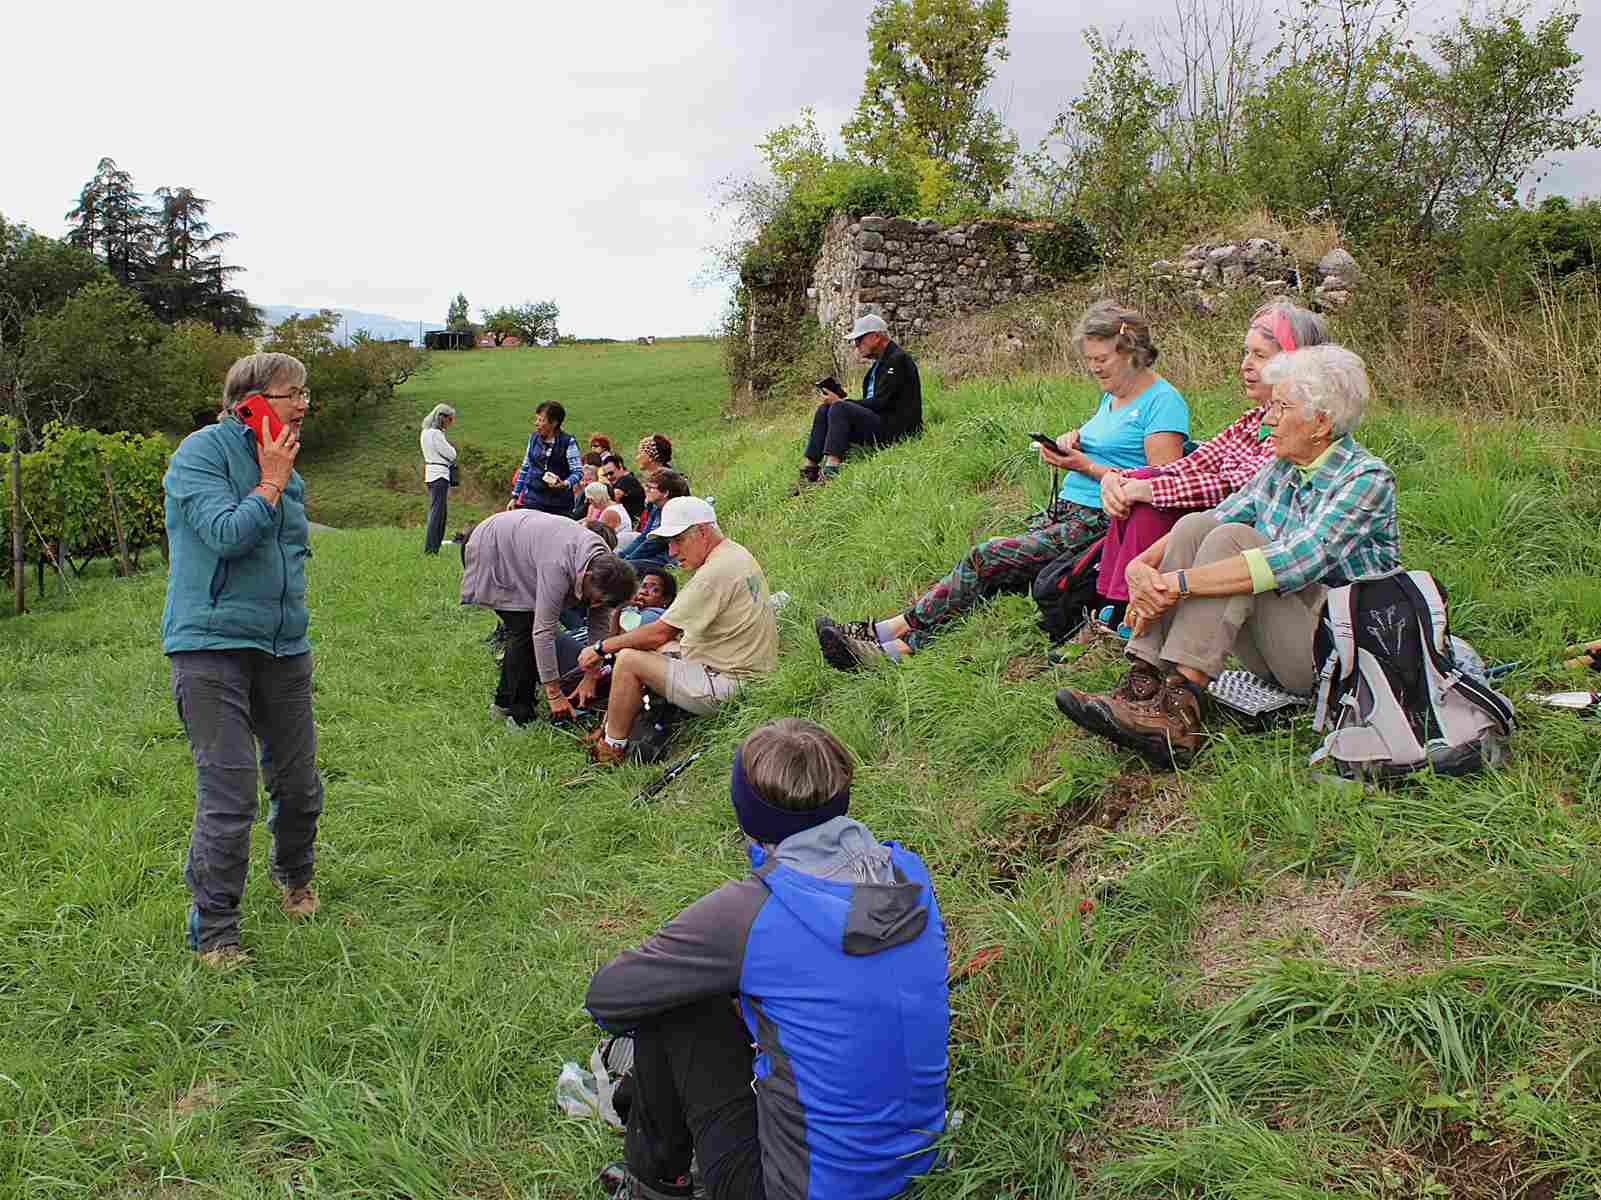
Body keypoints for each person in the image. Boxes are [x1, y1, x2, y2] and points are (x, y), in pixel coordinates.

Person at [586, 718, 948, 1200]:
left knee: (672, 1004)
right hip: (918, 1163)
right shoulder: (908, 872)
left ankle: (655, 1186)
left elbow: (608, 997)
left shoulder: (751, 912)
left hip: (797, 1190)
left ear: (748, 816)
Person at [1055, 344, 1400, 767]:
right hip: (1282, 640)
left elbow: (1296, 561)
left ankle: (1179, 709)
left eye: (1282, 407)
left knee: (1234, 541)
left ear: (1321, 423)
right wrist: (1140, 567)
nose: (1268, 419)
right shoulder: (1282, 468)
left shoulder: (1366, 480)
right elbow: (1217, 515)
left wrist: (1176, 584)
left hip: (1335, 659)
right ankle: (1144, 684)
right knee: (1195, 526)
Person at [816, 301, 1189, 670]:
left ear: (1131, 352)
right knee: (991, 575)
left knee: (985, 556)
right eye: (1089, 359)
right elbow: (1114, 444)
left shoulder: (1162, 402)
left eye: (1101, 359)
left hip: (1098, 523)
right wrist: (1073, 439)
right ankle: (893, 646)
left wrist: (1084, 465)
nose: (1093, 367)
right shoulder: (1114, 394)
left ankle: (887, 635)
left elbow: (1161, 487)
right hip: (1068, 511)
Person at [162, 352, 323, 966]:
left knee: (299, 783)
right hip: (209, 646)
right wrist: (271, 482)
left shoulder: (285, 460)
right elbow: (226, 534)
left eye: (305, 393)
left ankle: (295, 878)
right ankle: (216, 930)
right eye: (292, 393)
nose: (303, 405)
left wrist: (279, 476)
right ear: (249, 403)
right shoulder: (200, 453)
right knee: (230, 792)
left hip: (283, 646)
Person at [1096, 302, 1329, 602]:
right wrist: (1121, 478)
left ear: (1296, 366)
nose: (1245, 365)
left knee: (1150, 506)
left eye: (1259, 356)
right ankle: (1112, 601)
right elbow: (1196, 462)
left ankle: (1126, 603)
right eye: (1246, 352)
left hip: (1248, 537)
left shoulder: (1297, 432)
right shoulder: (1252, 420)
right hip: (1221, 520)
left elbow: (1236, 488)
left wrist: (1150, 490)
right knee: (1141, 485)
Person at [576, 497, 778, 765]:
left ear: (703, 531)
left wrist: (600, 648)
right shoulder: (735, 554)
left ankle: (610, 749)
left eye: (678, 540)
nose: (671, 551)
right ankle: (610, 726)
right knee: (643, 647)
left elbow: (659, 633)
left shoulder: (712, 574)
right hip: (747, 670)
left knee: (628, 659)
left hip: (731, 683)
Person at [460, 510, 637, 725]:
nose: (595, 605)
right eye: (595, 599)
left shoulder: (606, 568)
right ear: (588, 576)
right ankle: (520, 715)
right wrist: (554, 694)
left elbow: (599, 626)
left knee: (525, 629)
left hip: (527, 546)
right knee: (525, 630)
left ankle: (503, 703)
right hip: (494, 547)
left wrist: (591, 676)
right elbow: (543, 632)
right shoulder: (558, 566)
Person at [793, 313, 923, 491]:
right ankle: (809, 470)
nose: (856, 345)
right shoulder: (879, 364)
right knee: (825, 409)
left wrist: (843, 402)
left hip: (897, 429)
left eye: (860, 340)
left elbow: (881, 403)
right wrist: (843, 402)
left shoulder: (897, 359)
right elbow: (872, 402)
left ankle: (831, 470)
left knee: (839, 406)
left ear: (876, 336)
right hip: (880, 422)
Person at [508, 401, 582, 515]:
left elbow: (577, 472)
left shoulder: (568, 442)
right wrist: (515, 496)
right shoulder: (533, 438)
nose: (536, 423)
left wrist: (565, 483)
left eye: (541, 420)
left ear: (554, 423)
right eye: (536, 419)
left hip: (559, 505)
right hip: (532, 501)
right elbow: (525, 468)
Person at [620, 469, 691, 568]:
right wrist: (621, 556)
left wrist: (627, 560)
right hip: (653, 553)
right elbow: (644, 536)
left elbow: (655, 543)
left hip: (669, 558)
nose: (646, 490)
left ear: (665, 493)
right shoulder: (656, 508)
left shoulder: (674, 512)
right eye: (646, 486)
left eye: (651, 488)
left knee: (629, 568)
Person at [421, 403, 458, 555]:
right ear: (442, 418)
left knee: (437, 510)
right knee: (438, 512)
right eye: (450, 419)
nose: (450, 423)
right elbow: (451, 454)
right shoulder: (436, 434)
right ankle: (431, 548)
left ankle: (433, 546)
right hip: (440, 474)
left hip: (431, 474)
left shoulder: (425, 432)